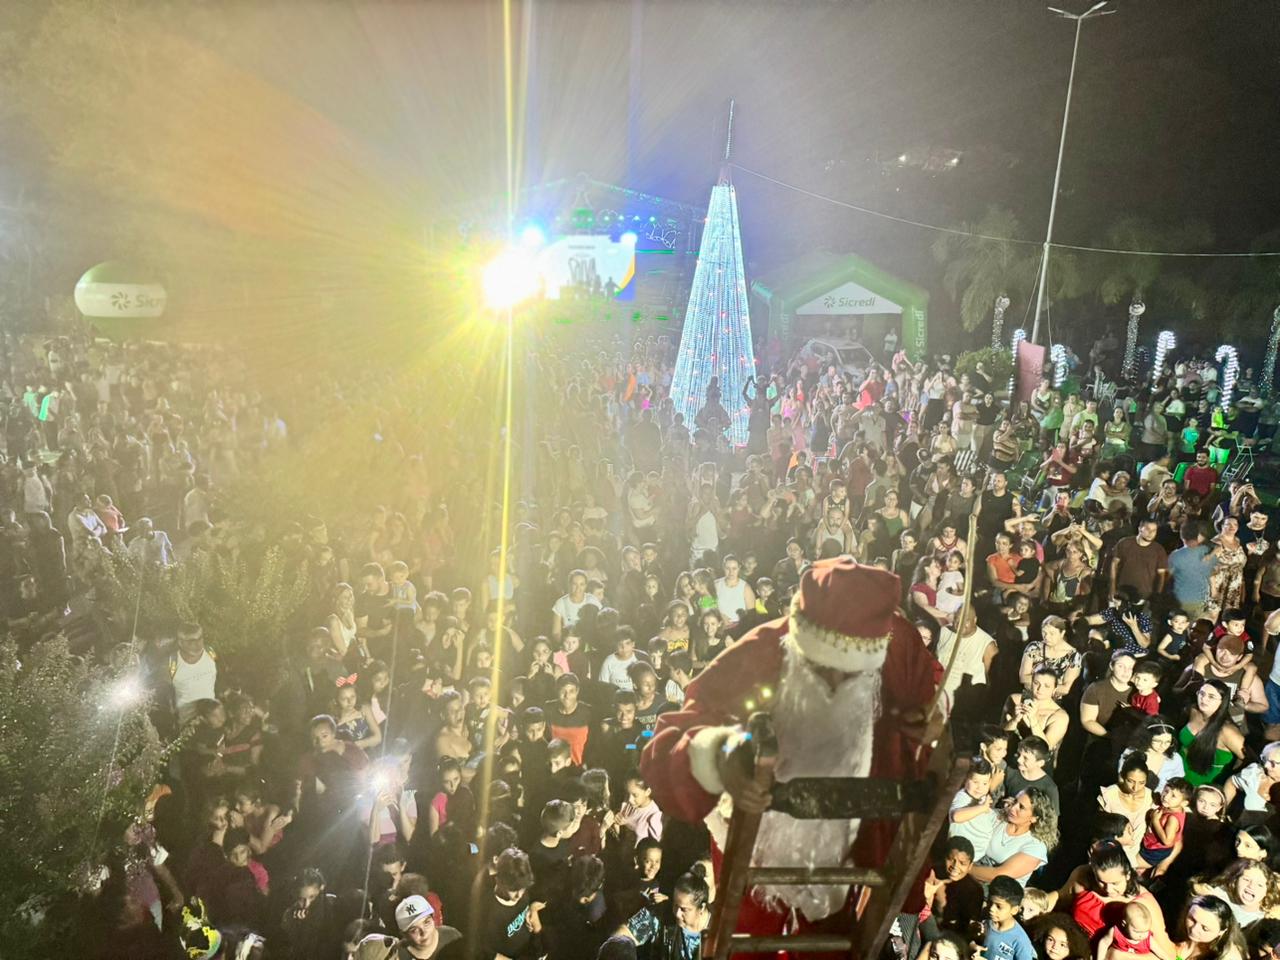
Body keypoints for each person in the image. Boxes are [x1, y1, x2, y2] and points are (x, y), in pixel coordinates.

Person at [642, 558, 944, 932]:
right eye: (823, 672)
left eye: (851, 677)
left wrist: (929, 720)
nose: (835, 683)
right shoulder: (763, 651)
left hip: (854, 865)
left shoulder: (896, 641)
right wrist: (720, 759)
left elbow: (927, 701)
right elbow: (669, 744)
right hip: (759, 866)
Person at [969, 788, 1057, 887]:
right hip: (971, 876)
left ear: (1034, 818)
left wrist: (963, 867)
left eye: (1021, 807)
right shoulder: (999, 818)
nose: (1013, 808)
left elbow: (999, 875)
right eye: (1015, 801)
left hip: (998, 891)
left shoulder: (1036, 847)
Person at [351, 894, 462, 960]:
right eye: (414, 930)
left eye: (427, 922)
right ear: (403, 934)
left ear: (433, 919)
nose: (423, 932)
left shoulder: (452, 936)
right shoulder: (396, 954)